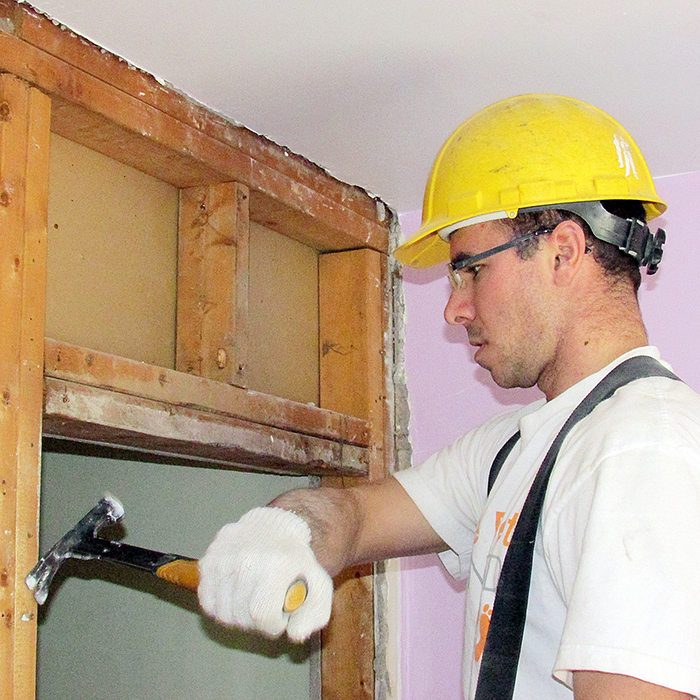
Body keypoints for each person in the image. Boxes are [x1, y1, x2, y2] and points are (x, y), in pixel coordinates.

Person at [197, 94, 700, 700]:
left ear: (562, 252)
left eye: (471, 270)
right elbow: (355, 520)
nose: (455, 308)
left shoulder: (642, 449)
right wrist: (280, 533)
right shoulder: (515, 449)